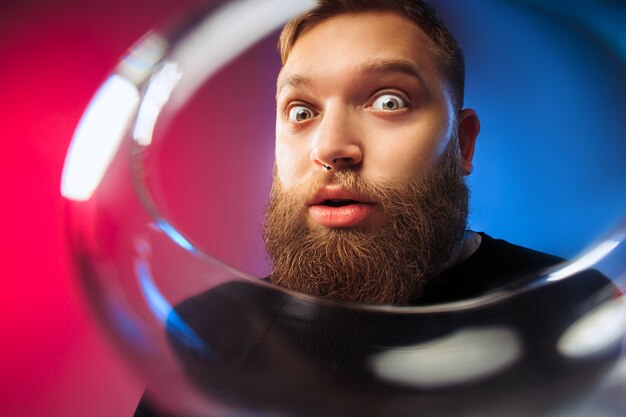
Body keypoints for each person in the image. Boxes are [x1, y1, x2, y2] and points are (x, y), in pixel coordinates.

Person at [135, 1, 620, 416]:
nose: (332, 147)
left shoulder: (577, 314)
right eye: (301, 112)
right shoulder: (209, 338)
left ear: (463, 143)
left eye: (389, 101)